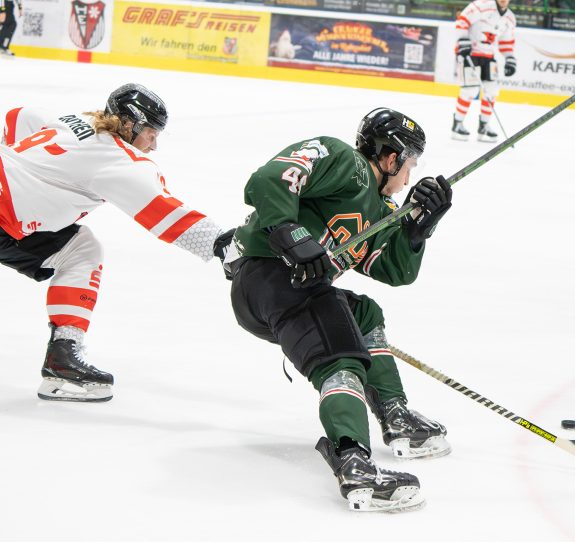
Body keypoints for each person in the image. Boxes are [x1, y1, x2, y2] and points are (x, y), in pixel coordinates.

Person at [221, 108, 453, 511]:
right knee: (340, 359)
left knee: (364, 316)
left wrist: (417, 230)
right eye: (410, 163)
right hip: (270, 275)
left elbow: (394, 269)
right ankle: (354, 462)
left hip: (284, 288)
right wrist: (288, 232)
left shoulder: (379, 211)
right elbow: (272, 177)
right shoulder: (344, 161)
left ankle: (394, 414)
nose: (409, 177)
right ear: (391, 157)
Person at [0, 83, 230, 401]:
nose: (154, 144)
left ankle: (62, 358)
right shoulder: (121, 160)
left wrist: (17, 168)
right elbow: (164, 212)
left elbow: (19, 116)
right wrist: (222, 244)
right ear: (131, 124)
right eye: (152, 133)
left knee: (81, 250)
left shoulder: (76, 120)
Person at [451, 0, 517, 143]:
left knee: (491, 91)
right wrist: (462, 40)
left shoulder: (510, 18)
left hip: (489, 57)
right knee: (469, 90)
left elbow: (506, 42)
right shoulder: (481, 6)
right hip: (470, 54)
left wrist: (510, 58)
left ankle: (484, 126)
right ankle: (457, 123)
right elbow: (462, 21)